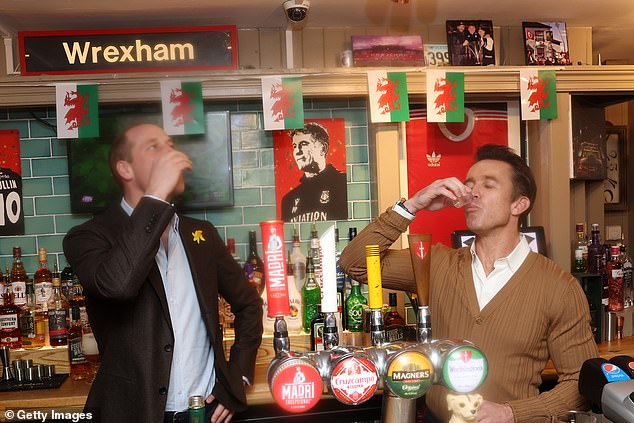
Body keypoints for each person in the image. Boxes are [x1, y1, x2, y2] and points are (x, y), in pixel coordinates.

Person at [339, 144, 598, 423]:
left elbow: (581, 383)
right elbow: (354, 263)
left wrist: (511, 413)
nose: (472, 192)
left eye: (488, 185)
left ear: (519, 204)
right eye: (469, 184)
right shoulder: (435, 263)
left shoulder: (558, 287)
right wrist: (413, 205)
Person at [63, 123, 263, 423]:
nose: (171, 152)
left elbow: (249, 305)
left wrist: (237, 378)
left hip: (205, 412)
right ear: (125, 169)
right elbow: (118, 285)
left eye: (170, 144)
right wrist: (155, 195)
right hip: (136, 414)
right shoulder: (88, 237)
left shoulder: (201, 234)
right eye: (153, 147)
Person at [281, 122, 347, 223]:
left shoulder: (342, 184)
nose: (297, 151)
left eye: (303, 144)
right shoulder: (288, 200)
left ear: (323, 149)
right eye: (294, 146)